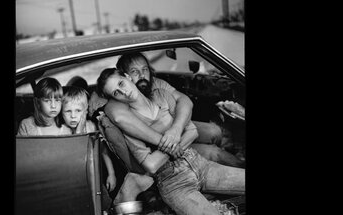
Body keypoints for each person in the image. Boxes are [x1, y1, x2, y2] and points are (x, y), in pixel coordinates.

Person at [96, 68, 245, 215]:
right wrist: (175, 144)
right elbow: (151, 165)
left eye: (121, 83)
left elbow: (193, 132)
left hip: (199, 163)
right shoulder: (129, 125)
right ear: (114, 99)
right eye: (116, 93)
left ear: (128, 77)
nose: (124, 92)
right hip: (173, 182)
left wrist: (174, 133)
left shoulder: (161, 95)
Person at [90, 52, 244, 168]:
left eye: (145, 69)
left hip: (175, 130)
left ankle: (222, 160)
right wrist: (168, 143)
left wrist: (176, 130)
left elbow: (184, 100)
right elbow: (118, 117)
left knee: (214, 132)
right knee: (213, 153)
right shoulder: (118, 98)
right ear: (126, 75)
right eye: (135, 72)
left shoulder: (155, 83)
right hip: (161, 149)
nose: (142, 75)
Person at [60, 86, 117, 195]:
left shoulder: (92, 127)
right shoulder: (62, 131)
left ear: (86, 111)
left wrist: (111, 173)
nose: (73, 116)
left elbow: (103, 150)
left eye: (78, 111)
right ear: (61, 113)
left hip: (94, 177)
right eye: (68, 111)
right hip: (73, 180)